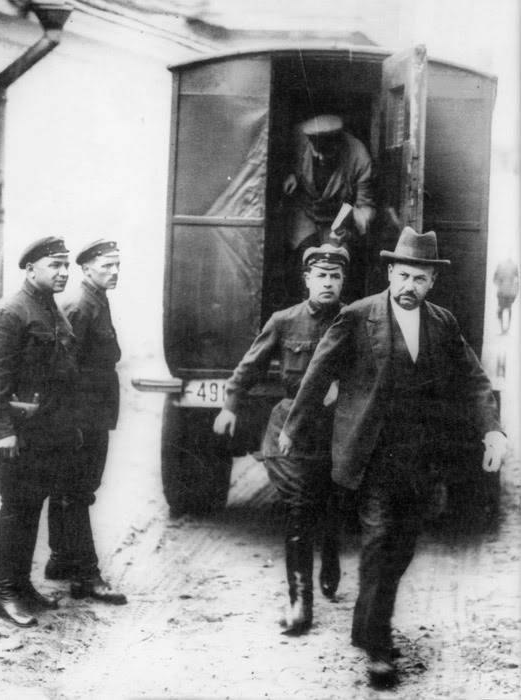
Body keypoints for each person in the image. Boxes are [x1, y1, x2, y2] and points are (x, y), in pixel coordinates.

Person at [279, 227, 507, 686]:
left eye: (419, 279)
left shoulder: (443, 323)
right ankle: (378, 646)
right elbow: (318, 372)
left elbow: (473, 379)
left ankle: (365, 624)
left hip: (420, 459)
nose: (409, 287)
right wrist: (293, 426)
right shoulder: (357, 317)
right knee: (380, 542)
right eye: (403, 276)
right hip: (372, 456)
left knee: (402, 547)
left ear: (432, 282)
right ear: (389, 273)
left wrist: (492, 431)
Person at [213, 244, 350, 635]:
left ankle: (331, 556)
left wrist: (342, 387)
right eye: (321, 276)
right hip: (291, 427)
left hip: (338, 428)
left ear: (343, 281)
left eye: (335, 276)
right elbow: (249, 366)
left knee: (333, 499)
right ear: (307, 279)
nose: (328, 283)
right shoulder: (285, 321)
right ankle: (300, 601)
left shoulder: (355, 320)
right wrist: (230, 406)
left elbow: (371, 372)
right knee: (299, 505)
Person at [0, 236, 78, 627]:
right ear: (31, 269)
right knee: (16, 508)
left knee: (32, 506)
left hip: (46, 431)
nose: (64, 272)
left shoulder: (49, 308)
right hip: (19, 433)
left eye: (66, 265)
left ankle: (21, 586)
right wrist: (2, 431)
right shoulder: (9, 312)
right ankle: (2, 593)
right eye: (55, 265)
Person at [45, 239, 127, 605]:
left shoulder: (96, 300)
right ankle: (86, 575)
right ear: (87, 268)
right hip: (82, 416)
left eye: (117, 265)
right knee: (78, 492)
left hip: (92, 412)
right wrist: (72, 422)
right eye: (107, 265)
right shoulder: (80, 305)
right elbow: (64, 369)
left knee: (71, 489)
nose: (114, 271)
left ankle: (61, 560)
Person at [283, 114, 376, 301]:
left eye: (327, 153)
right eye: (316, 152)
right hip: (305, 211)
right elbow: (281, 161)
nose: (321, 158)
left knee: (334, 262)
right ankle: (305, 305)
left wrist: (352, 223)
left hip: (337, 219)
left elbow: (366, 206)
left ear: (338, 144)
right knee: (305, 258)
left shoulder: (359, 156)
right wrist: (291, 174)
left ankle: (335, 310)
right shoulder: (297, 138)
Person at [493, 257, 519, 334]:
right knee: (508, 309)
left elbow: (495, 279)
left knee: (502, 309)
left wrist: (499, 283)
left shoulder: (501, 265)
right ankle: (506, 328)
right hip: (509, 291)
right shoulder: (514, 266)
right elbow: (517, 280)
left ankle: (503, 329)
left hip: (503, 291)